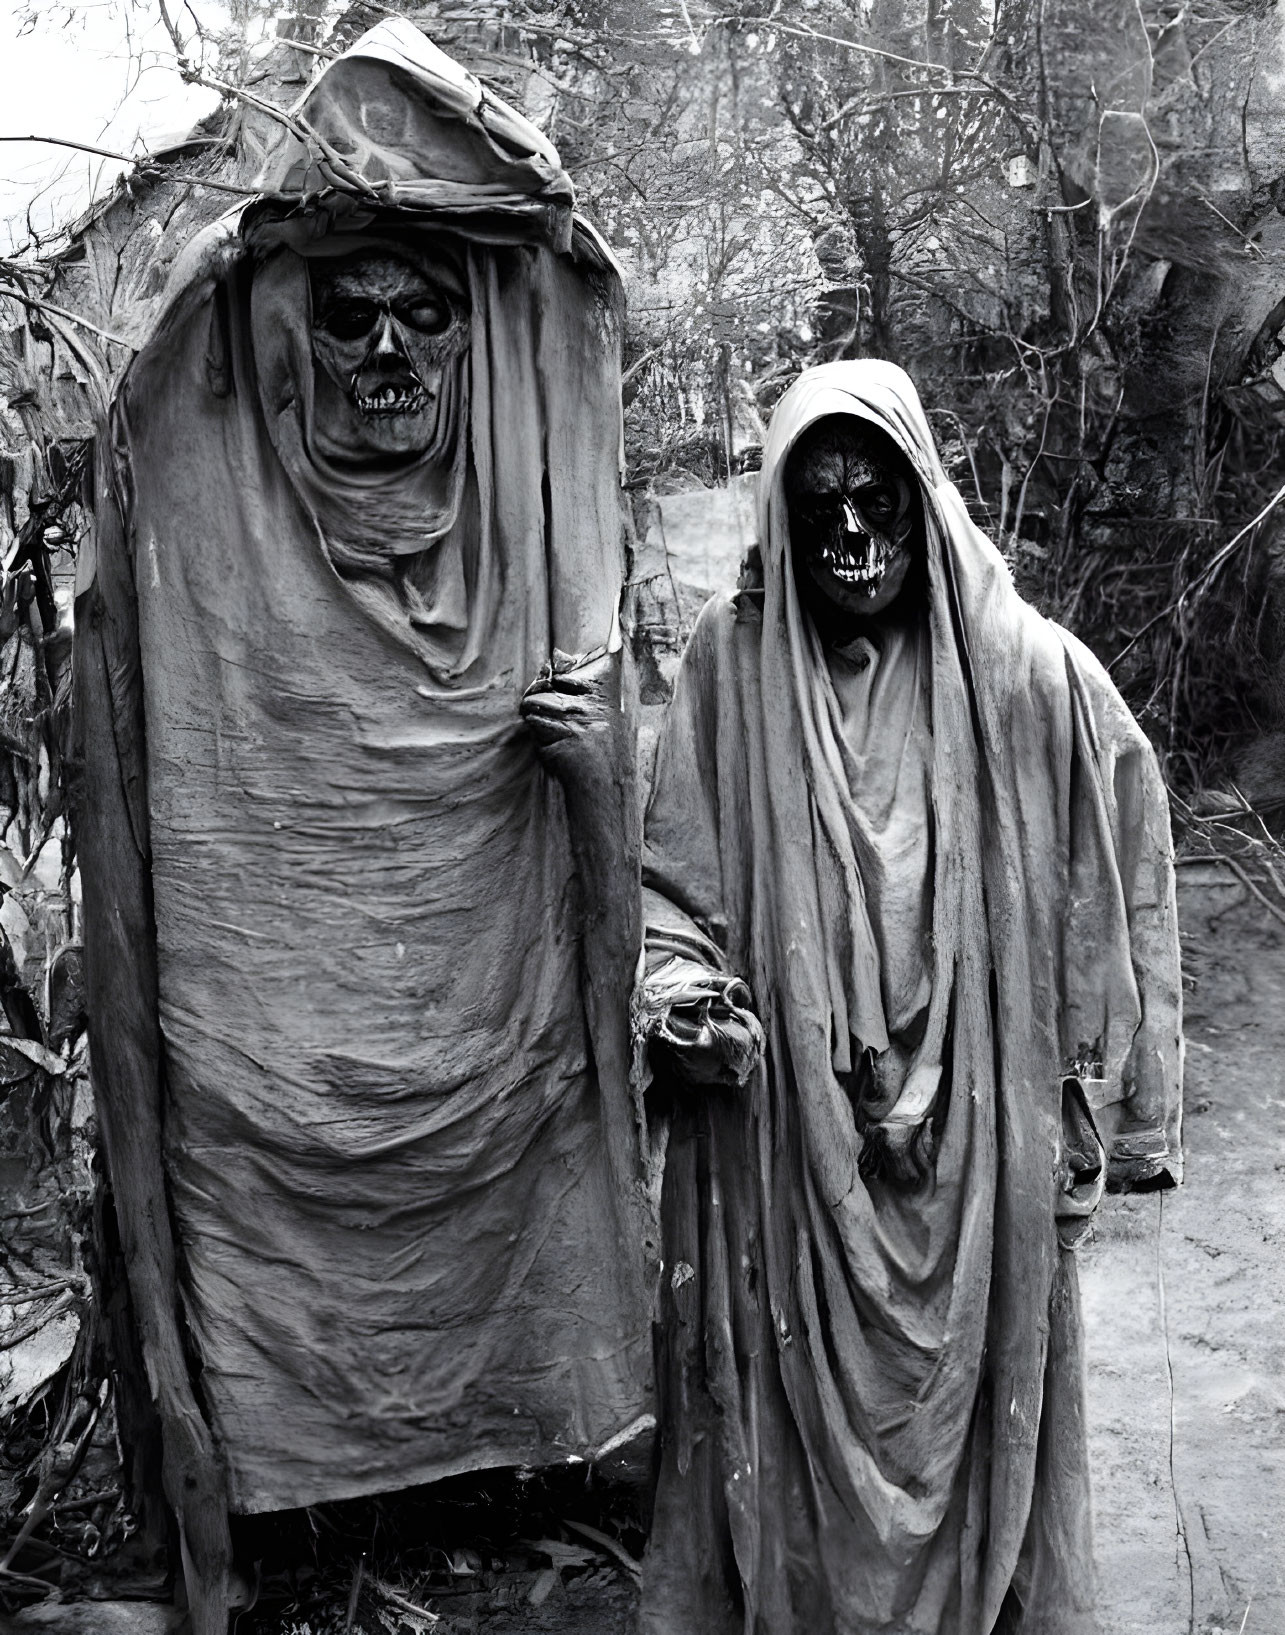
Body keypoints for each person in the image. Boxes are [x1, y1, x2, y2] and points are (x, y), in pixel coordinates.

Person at [71, 22, 652, 1632]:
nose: (392, 355)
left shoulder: (542, 532)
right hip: (267, 1098)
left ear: (478, 345)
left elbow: (650, 865)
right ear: (286, 346)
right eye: (351, 319)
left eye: (424, 317)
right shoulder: (207, 543)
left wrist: (598, 787)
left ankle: (543, 1446)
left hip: (507, 1064)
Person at [636, 360, 1182, 1635]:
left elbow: (1122, 836)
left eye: (876, 498)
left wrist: (1114, 1096)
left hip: (981, 1160)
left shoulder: (1020, 670)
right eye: (817, 503)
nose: (850, 536)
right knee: (789, 1445)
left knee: (989, 1417)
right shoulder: (728, 669)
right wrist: (683, 1000)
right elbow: (675, 888)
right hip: (794, 1157)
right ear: (778, 513)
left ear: (922, 497)